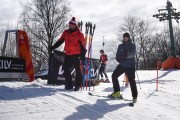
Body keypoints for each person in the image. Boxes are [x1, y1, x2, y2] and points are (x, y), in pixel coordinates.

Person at [50, 17, 86, 91]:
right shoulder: (66, 32)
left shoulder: (80, 34)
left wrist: (83, 57)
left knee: (78, 70)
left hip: (76, 54)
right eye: (69, 25)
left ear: (75, 25)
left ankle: (77, 86)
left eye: (71, 25)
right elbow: (60, 41)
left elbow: (83, 46)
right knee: (66, 69)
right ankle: (69, 84)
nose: (70, 26)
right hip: (68, 54)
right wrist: (52, 47)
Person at [111, 33, 138, 103]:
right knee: (114, 76)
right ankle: (117, 93)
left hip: (130, 66)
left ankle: (134, 96)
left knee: (131, 80)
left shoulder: (132, 45)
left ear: (129, 38)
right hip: (122, 65)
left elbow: (132, 54)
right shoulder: (120, 46)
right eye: (124, 37)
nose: (125, 38)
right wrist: (123, 58)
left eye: (126, 37)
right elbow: (117, 56)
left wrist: (124, 56)